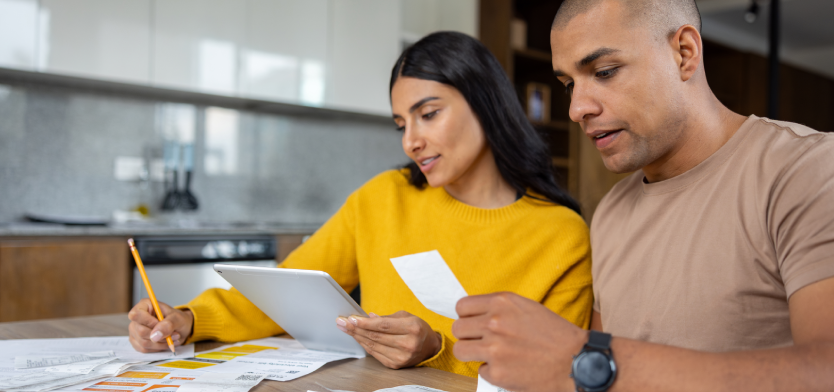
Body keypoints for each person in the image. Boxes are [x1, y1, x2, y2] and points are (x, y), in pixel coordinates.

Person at [452, 0, 834, 391]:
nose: (577, 109)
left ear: (684, 53)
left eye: (604, 71)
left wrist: (580, 359)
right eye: (568, 84)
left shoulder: (810, 169)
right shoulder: (611, 211)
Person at [127, 31, 593, 378]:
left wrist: (437, 349)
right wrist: (188, 319)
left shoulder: (560, 234)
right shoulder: (383, 197)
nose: (411, 141)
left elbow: (555, 374)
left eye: (429, 114)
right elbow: (284, 293)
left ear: (485, 104)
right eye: (401, 124)